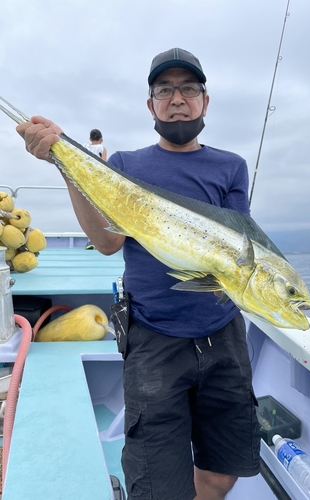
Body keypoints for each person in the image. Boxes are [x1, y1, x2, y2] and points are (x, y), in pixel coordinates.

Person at [16, 47, 261, 500]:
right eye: (164, 90)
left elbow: (237, 251)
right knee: (156, 482)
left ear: (205, 101)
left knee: (224, 468)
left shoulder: (231, 167)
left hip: (222, 333)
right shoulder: (126, 165)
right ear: (151, 105)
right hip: (153, 338)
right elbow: (108, 243)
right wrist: (63, 161)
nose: (177, 98)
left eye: (188, 88)